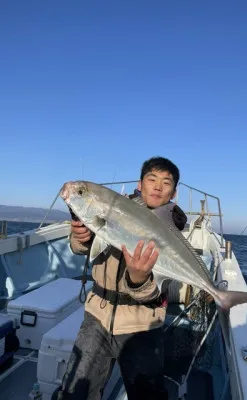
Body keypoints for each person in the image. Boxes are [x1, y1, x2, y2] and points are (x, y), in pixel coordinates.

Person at [53, 156, 187, 400]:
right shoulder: (113, 207)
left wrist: (138, 279)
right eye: (151, 179)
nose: (157, 186)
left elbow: (163, 286)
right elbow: (87, 246)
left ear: (174, 194)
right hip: (97, 316)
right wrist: (80, 238)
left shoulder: (173, 233)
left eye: (166, 183)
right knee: (75, 393)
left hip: (142, 324)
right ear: (140, 183)